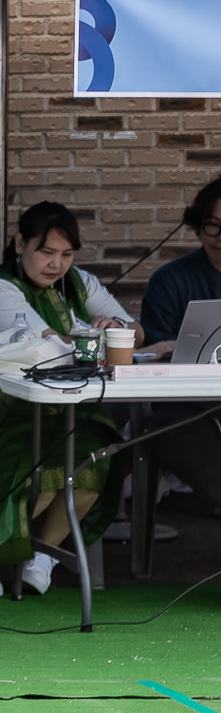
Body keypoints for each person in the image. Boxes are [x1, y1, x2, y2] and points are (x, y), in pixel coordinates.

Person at [0, 200, 133, 598]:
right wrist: (99, 337)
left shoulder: (80, 283)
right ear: (20, 243)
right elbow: (51, 349)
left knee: (99, 452)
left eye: (67, 254)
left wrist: (116, 326)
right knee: (31, 465)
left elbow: (133, 330)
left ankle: (45, 554)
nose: (56, 264)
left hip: (60, 408)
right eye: (46, 252)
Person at [137, 175, 221, 514]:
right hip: (186, 404)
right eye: (212, 226)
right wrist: (168, 348)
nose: (219, 238)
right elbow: (151, 351)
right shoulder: (171, 279)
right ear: (198, 227)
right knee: (169, 429)